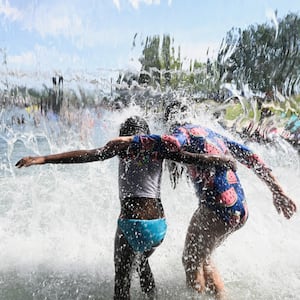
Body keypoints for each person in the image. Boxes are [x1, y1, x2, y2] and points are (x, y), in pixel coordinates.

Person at [15, 116, 235, 300]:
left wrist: (42, 158)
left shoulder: (122, 149)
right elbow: (193, 158)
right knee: (141, 261)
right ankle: (152, 296)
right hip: (158, 229)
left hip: (131, 224)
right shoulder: (159, 150)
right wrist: (221, 161)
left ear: (125, 134)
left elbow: (85, 155)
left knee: (121, 286)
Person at [120, 120, 297, 299]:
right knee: (204, 259)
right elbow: (251, 156)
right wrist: (277, 190)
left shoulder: (181, 131)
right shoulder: (212, 134)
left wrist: (131, 141)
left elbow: (170, 143)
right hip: (239, 208)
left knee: (191, 260)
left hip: (217, 208)